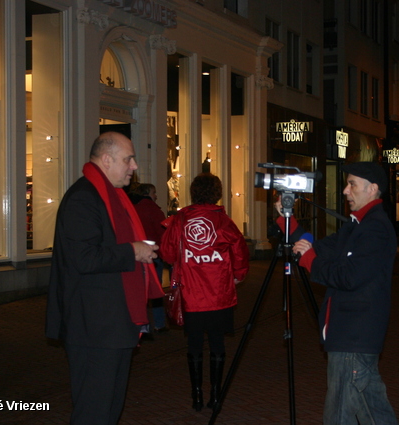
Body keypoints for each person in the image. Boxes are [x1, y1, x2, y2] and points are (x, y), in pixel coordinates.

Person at [45, 132, 163, 425]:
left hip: (112, 324)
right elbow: (82, 258)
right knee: (93, 412)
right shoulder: (84, 198)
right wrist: (133, 251)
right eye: (128, 159)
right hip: (94, 327)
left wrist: (136, 250)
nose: (134, 166)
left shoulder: (112, 196)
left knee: (109, 410)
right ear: (106, 159)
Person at [280, 162, 398, 425]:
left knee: (340, 415)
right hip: (350, 337)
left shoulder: (375, 228)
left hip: (354, 337)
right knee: (374, 412)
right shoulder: (358, 225)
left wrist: (310, 260)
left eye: (352, 184)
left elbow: (349, 276)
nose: (346, 190)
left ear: (373, 188)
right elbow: (317, 248)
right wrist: (286, 220)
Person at [159, 173, 250, 411]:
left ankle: (197, 394)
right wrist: (238, 274)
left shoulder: (181, 219)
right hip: (219, 293)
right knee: (218, 344)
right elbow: (240, 251)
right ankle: (216, 395)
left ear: (193, 192)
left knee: (195, 345)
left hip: (191, 294)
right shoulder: (223, 221)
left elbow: (167, 253)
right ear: (217, 193)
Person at [131, 183, 168, 337]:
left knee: (139, 291)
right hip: (153, 254)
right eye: (154, 192)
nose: (156, 195)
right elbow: (162, 233)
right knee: (156, 291)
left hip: (135, 254)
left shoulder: (133, 207)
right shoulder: (153, 209)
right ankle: (159, 324)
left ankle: (142, 325)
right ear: (147, 193)